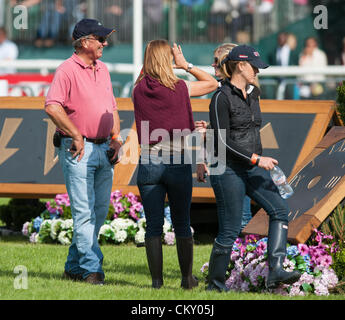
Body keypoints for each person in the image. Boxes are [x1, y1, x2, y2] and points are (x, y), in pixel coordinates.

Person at [205, 45, 301, 292]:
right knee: (230, 229)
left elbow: (253, 131)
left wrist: (257, 159)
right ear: (240, 66)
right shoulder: (220, 97)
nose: (258, 71)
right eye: (254, 66)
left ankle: (276, 270)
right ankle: (214, 285)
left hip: (251, 166)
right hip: (227, 169)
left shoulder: (254, 93)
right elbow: (223, 142)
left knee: (279, 209)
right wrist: (257, 159)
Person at [132, 39, 218, 289]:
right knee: (182, 223)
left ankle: (156, 283)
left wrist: (151, 61)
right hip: (177, 162)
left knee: (153, 227)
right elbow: (212, 83)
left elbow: (143, 75)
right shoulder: (180, 87)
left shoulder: (137, 89)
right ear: (167, 59)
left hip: (149, 163)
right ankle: (187, 279)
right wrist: (185, 65)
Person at [45, 18, 121, 285]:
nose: (105, 43)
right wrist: (76, 134)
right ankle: (92, 269)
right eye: (100, 39)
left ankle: (73, 267)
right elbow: (52, 106)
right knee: (84, 212)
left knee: (98, 212)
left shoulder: (103, 68)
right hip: (78, 148)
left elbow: (112, 108)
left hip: (103, 148)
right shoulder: (66, 70)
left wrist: (116, 138)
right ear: (85, 42)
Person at [196, 42, 253, 231]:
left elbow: (238, 130)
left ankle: (240, 258)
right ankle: (235, 258)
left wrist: (210, 131)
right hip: (224, 161)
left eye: (216, 61)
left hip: (238, 162)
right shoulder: (225, 92)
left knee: (240, 220)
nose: (213, 65)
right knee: (230, 221)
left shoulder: (242, 92)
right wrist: (211, 128)